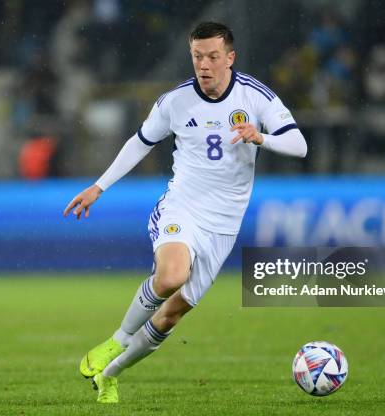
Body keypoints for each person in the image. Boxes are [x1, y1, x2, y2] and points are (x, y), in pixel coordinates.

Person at [63, 21, 307, 404]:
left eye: (212, 56)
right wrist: (99, 186)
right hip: (183, 206)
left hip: (225, 223)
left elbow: (299, 145)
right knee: (173, 274)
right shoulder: (174, 101)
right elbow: (140, 142)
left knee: (171, 316)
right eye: (197, 56)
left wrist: (261, 137)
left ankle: (110, 375)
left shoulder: (256, 97)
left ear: (230, 57)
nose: (204, 65)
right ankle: (118, 340)